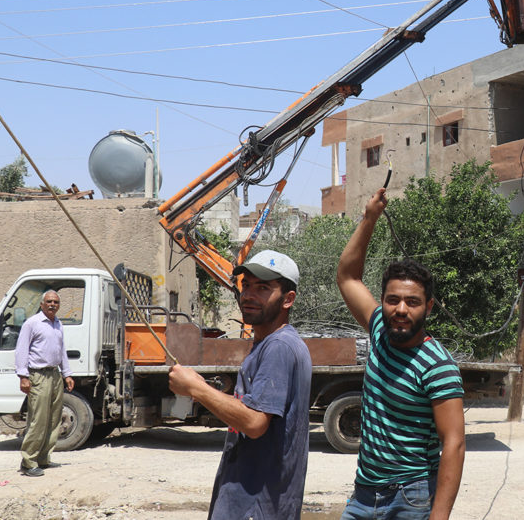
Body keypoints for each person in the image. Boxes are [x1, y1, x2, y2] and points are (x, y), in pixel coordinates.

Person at [336, 188, 466, 520]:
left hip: (411, 496)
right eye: (393, 299)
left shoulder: (438, 366)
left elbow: (453, 443)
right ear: (382, 301)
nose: (401, 309)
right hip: (363, 492)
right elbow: (348, 276)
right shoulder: (379, 325)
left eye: (413, 302)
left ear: (429, 307)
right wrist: (370, 218)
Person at [169, 250, 312, 520]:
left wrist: (195, 389)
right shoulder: (270, 343)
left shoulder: (278, 346)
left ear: (288, 299)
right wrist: (205, 389)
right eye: (246, 285)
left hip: (256, 505)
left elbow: (255, 423)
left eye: (263, 288)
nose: (248, 295)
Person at [15, 290, 74, 477]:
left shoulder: (58, 324)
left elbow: (61, 350)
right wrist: (23, 376)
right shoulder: (32, 323)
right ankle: (28, 461)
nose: (52, 304)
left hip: (55, 375)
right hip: (38, 376)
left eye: (56, 302)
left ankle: (44, 458)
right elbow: (21, 350)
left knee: (53, 418)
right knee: (38, 419)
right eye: (49, 301)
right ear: (42, 304)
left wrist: (67, 374)